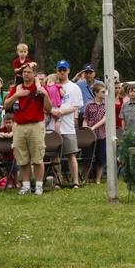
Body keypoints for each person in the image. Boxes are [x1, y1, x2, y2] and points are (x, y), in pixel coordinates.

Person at [4, 64, 52, 195]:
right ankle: (25, 185)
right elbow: (6, 105)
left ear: (33, 74)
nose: (25, 74)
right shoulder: (17, 88)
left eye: (28, 72)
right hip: (19, 126)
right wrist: (16, 95)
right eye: (24, 72)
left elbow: (49, 108)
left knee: (37, 157)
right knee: (22, 158)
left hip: (36, 125)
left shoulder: (39, 88)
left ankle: (39, 185)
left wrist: (46, 95)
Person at [52, 61, 84, 189]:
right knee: (55, 155)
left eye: (64, 70)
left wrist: (61, 112)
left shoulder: (74, 87)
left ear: (69, 71)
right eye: (59, 70)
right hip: (53, 125)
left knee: (71, 154)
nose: (62, 72)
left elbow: (75, 106)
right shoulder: (52, 86)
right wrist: (53, 111)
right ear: (56, 71)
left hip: (68, 126)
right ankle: (57, 180)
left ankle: (75, 181)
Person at [83, 84, 109, 184]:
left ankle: (98, 179)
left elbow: (105, 119)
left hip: (102, 134)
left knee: (101, 157)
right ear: (96, 93)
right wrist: (85, 127)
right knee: (87, 157)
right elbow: (86, 119)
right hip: (90, 136)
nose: (104, 93)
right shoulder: (89, 105)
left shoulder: (107, 104)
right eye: (102, 91)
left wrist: (93, 128)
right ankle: (85, 179)